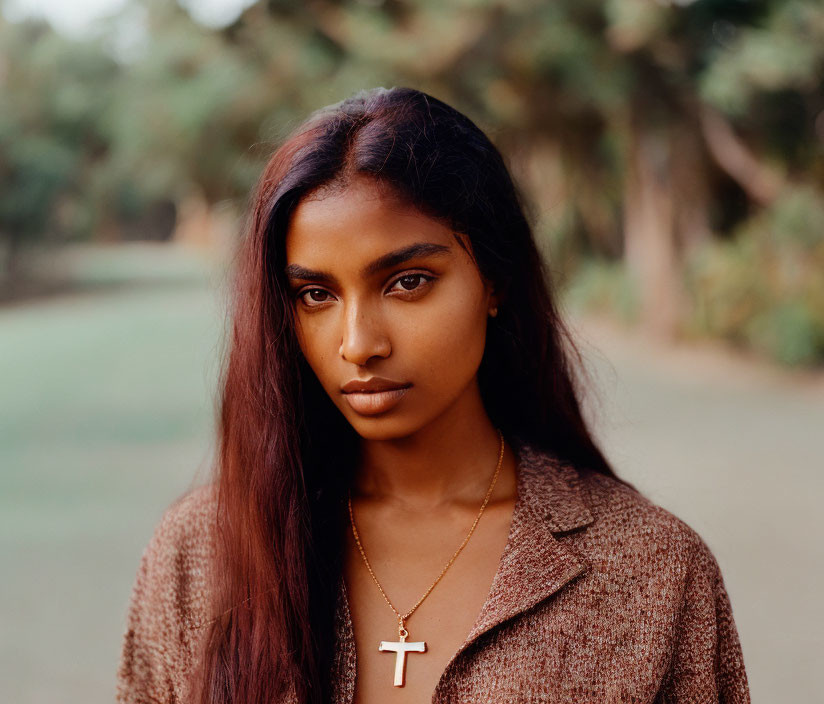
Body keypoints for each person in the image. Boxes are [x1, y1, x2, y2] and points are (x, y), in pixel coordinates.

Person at [116, 87, 750, 704]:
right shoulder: (202, 551)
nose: (359, 344)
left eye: (407, 282)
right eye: (317, 295)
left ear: (494, 280)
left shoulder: (650, 569)